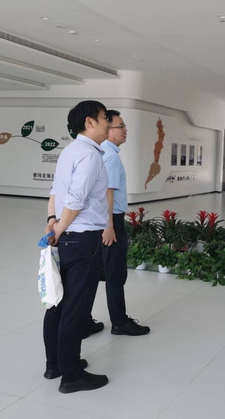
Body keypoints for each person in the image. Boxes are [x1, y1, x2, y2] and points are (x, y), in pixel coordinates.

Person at [43, 100, 110, 394]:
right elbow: (76, 199)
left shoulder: (69, 151)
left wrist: (52, 222)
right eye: (105, 118)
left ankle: (55, 364)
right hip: (82, 239)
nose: (108, 123)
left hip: (67, 237)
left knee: (58, 304)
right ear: (90, 122)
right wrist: (58, 228)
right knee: (75, 309)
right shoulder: (90, 155)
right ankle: (71, 376)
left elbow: (55, 193)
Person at [85, 110, 150, 336]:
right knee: (115, 274)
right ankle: (119, 322)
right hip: (111, 221)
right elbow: (107, 192)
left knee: (93, 273)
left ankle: (84, 320)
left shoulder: (101, 152)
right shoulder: (110, 156)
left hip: (99, 220)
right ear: (109, 130)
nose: (125, 130)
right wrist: (110, 226)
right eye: (120, 126)